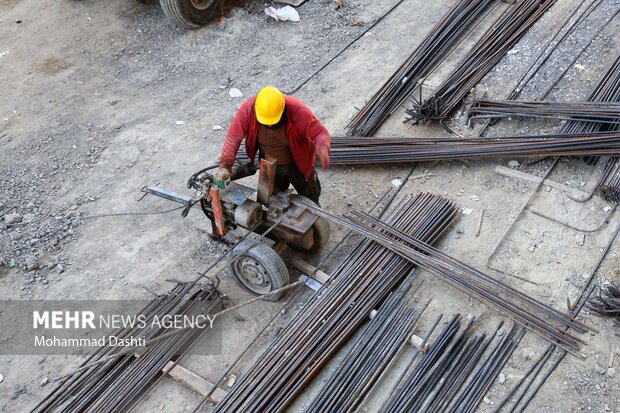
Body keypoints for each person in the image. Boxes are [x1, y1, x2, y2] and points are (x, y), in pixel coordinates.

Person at [214, 86, 330, 205]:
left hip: (297, 164)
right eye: (265, 122)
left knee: (311, 197)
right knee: (272, 201)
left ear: (283, 109)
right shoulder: (249, 109)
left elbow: (319, 132)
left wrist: (322, 145)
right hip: (269, 164)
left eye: (273, 122)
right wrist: (225, 166)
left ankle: (316, 215)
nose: (269, 126)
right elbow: (233, 137)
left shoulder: (297, 110)